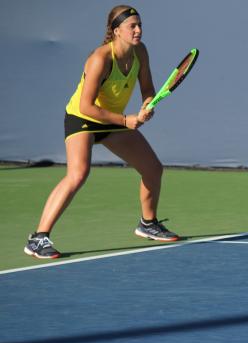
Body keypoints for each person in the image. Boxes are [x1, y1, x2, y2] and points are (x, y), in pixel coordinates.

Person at [24, 5, 179, 259]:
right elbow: (86, 105)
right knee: (78, 174)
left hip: (113, 120)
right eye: (132, 26)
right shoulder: (100, 59)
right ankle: (38, 238)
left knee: (153, 168)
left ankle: (148, 224)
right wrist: (126, 120)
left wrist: (146, 105)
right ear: (117, 31)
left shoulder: (140, 51)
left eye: (140, 25)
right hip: (82, 118)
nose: (138, 30)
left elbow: (148, 88)